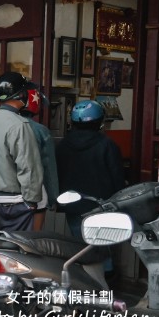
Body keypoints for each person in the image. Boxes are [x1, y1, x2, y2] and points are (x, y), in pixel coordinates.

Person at [0, 72, 43, 280]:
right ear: (20, 95)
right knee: (14, 252)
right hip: (14, 201)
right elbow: (28, 168)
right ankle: (7, 297)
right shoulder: (20, 125)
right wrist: (32, 200)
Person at [56, 100, 125, 241]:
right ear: (99, 120)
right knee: (102, 248)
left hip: (73, 205)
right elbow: (117, 177)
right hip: (101, 206)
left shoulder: (62, 144)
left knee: (80, 247)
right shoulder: (107, 145)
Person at [19, 88, 59, 229]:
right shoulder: (41, 131)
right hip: (35, 191)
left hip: (2, 192)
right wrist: (54, 197)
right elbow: (48, 167)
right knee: (33, 239)